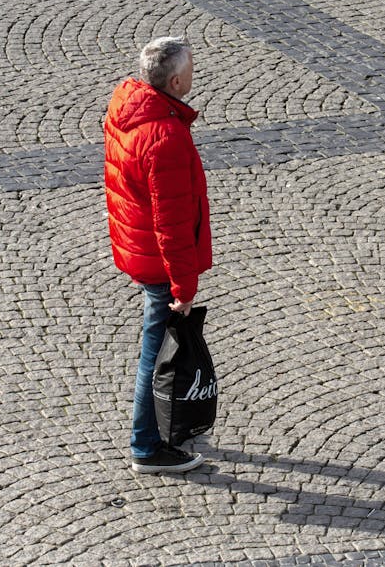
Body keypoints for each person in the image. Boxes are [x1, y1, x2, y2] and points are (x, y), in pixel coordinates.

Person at [104, 36, 212, 473]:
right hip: (157, 258)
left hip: (136, 245)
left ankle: (161, 431)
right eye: (189, 70)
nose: (193, 75)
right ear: (175, 79)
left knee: (159, 345)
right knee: (157, 351)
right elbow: (171, 222)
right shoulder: (164, 136)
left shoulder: (129, 104)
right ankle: (146, 446)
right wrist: (184, 287)